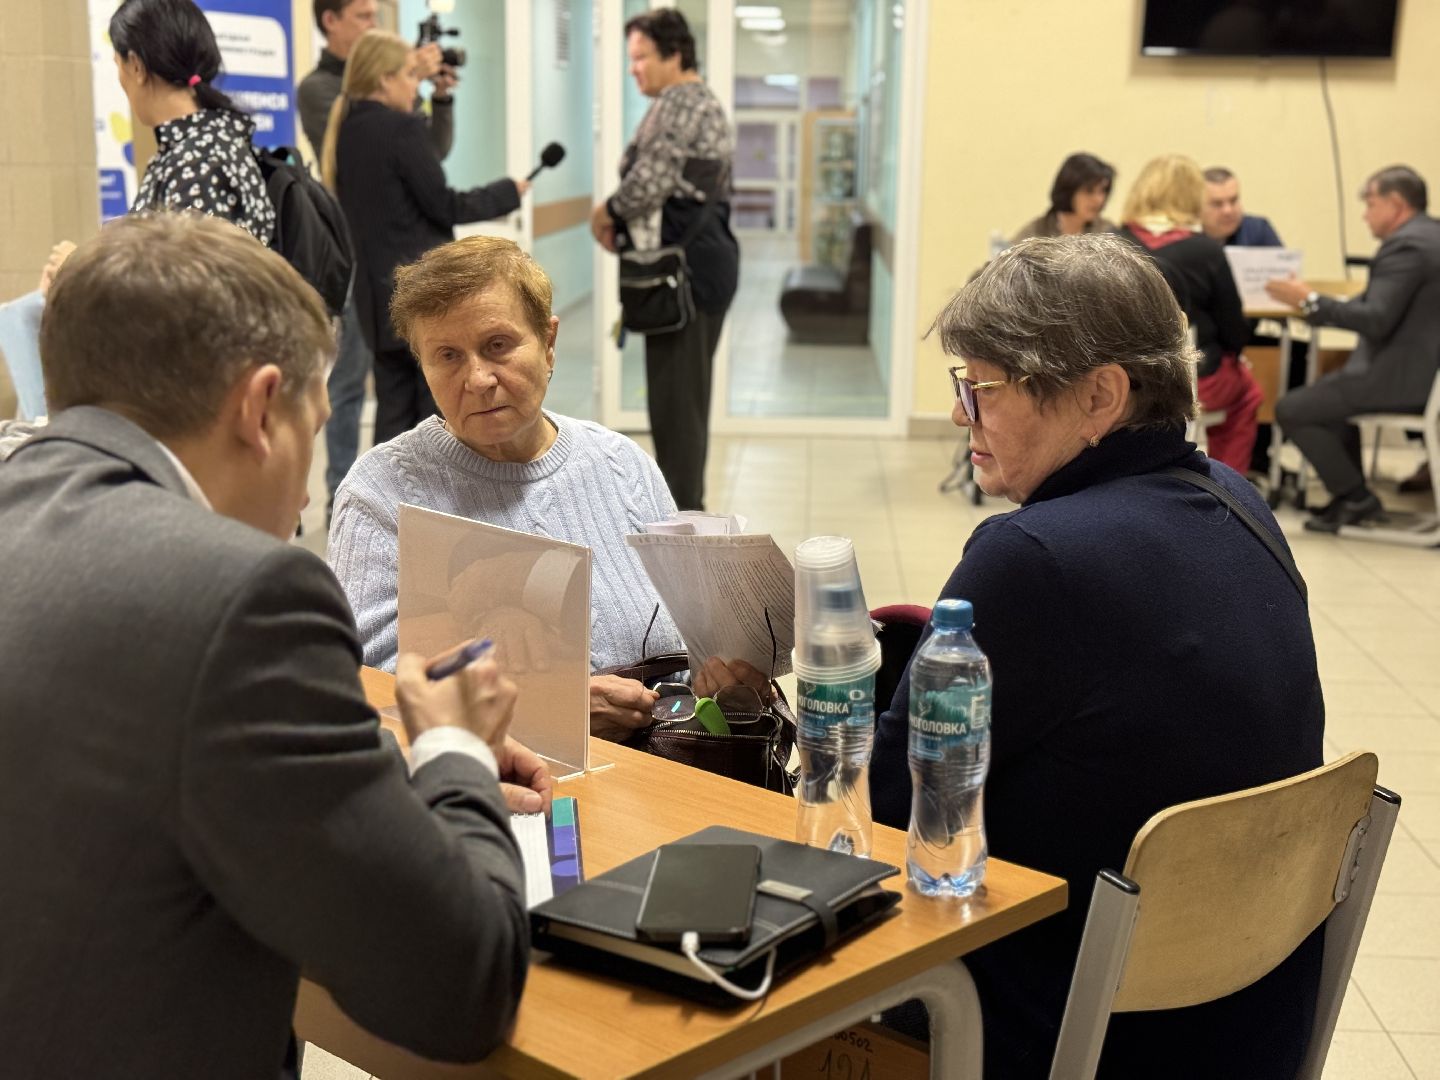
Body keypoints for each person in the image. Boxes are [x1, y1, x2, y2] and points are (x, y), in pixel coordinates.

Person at [0, 213, 549, 1077]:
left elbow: (155, 743)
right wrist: (456, 752)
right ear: (261, 409)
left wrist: (384, 768)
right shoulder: (245, 594)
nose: (303, 496)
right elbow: (461, 986)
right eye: (314, 420)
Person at [870, 233, 1323, 1080]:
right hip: (1250, 1023)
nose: (964, 418)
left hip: (1074, 1032)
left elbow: (887, 812)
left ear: (1100, 396)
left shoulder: (1034, 556)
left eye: (982, 390)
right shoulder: (1244, 507)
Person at [330, 236, 770, 740]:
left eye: (497, 345)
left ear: (549, 342)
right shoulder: (382, 492)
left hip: (660, 772)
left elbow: (687, 639)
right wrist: (547, 710)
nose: (477, 379)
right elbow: (364, 685)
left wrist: (717, 679)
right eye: (447, 356)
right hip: (496, 786)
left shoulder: (621, 465)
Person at [323, 30, 528, 445]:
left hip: (375, 301)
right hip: (419, 295)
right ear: (384, 79)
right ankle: (431, 510)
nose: (415, 88)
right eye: (410, 76)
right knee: (433, 423)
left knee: (393, 418)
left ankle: (388, 506)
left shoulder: (346, 132)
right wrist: (508, 192)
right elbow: (443, 205)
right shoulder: (400, 128)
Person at [298, 0, 459, 519]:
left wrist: (438, 97)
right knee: (348, 389)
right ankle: (349, 501)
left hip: (382, 269)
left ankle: (390, 511)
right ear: (331, 20)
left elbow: (429, 151)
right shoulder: (323, 91)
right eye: (364, 15)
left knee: (395, 396)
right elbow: (399, 156)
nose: (374, 23)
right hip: (361, 268)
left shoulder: (385, 109)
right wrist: (404, 90)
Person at [591, 8, 738, 511]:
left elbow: (650, 178)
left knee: (678, 415)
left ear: (675, 55)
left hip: (687, 280)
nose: (635, 69)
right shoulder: (690, 102)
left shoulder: (683, 103)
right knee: (679, 409)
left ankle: (682, 530)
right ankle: (680, 520)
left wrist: (606, 211)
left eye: (641, 58)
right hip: (695, 273)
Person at [1265, 165, 1440, 528]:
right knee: (1328, 402)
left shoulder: (1405, 246)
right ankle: (1350, 497)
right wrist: (1314, 305)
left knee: (1294, 409)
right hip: (1423, 374)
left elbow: (1376, 317)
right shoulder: (1431, 237)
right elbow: (1377, 305)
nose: (1365, 214)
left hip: (1403, 379)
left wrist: (1310, 300)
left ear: (1395, 204)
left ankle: (1357, 498)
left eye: (1371, 204)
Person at [1118, 154, 1262, 473]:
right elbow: (1234, 331)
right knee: (1248, 392)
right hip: (1186, 382)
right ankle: (1226, 486)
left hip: (1116, 381)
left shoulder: (1109, 244)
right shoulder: (1206, 250)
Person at [112, 0, 275, 243]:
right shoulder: (207, 144)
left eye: (118, 64)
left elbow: (191, 278)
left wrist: (81, 270)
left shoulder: (198, 163)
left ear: (136, 66)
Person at [1010, 153, 1117, 242]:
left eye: (1103, 191)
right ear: (1069, 189)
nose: (1099, 199)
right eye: (1089, 191)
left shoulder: (1108, 233)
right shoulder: (1034, 235)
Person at [1200, 166, 1283, 247]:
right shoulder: (1190, 237)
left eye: (1233, 201)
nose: (1228, 210)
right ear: (1198, 207)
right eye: (1217, 204)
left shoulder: (1258, 229)